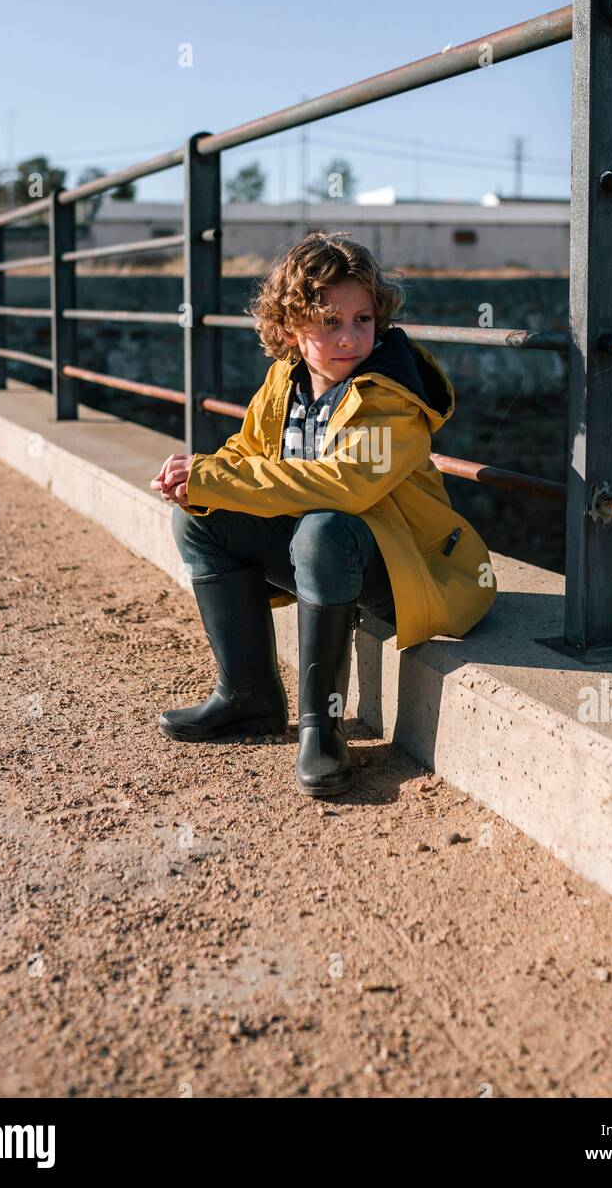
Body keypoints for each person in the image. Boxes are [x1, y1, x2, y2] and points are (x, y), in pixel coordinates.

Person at [150, 230, 497, 799]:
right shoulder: (285, 381)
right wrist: (200, 480)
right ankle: (248, 696)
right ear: (290, 327)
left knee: (324, 527)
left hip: (408, 569)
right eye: (330, 322)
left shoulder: (392, 394)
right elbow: (248, 454)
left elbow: (348, 485)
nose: (351, 337)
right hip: (330, 558)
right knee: (199, 519)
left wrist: (216, 477)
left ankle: (323, 724)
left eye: (363, 319)